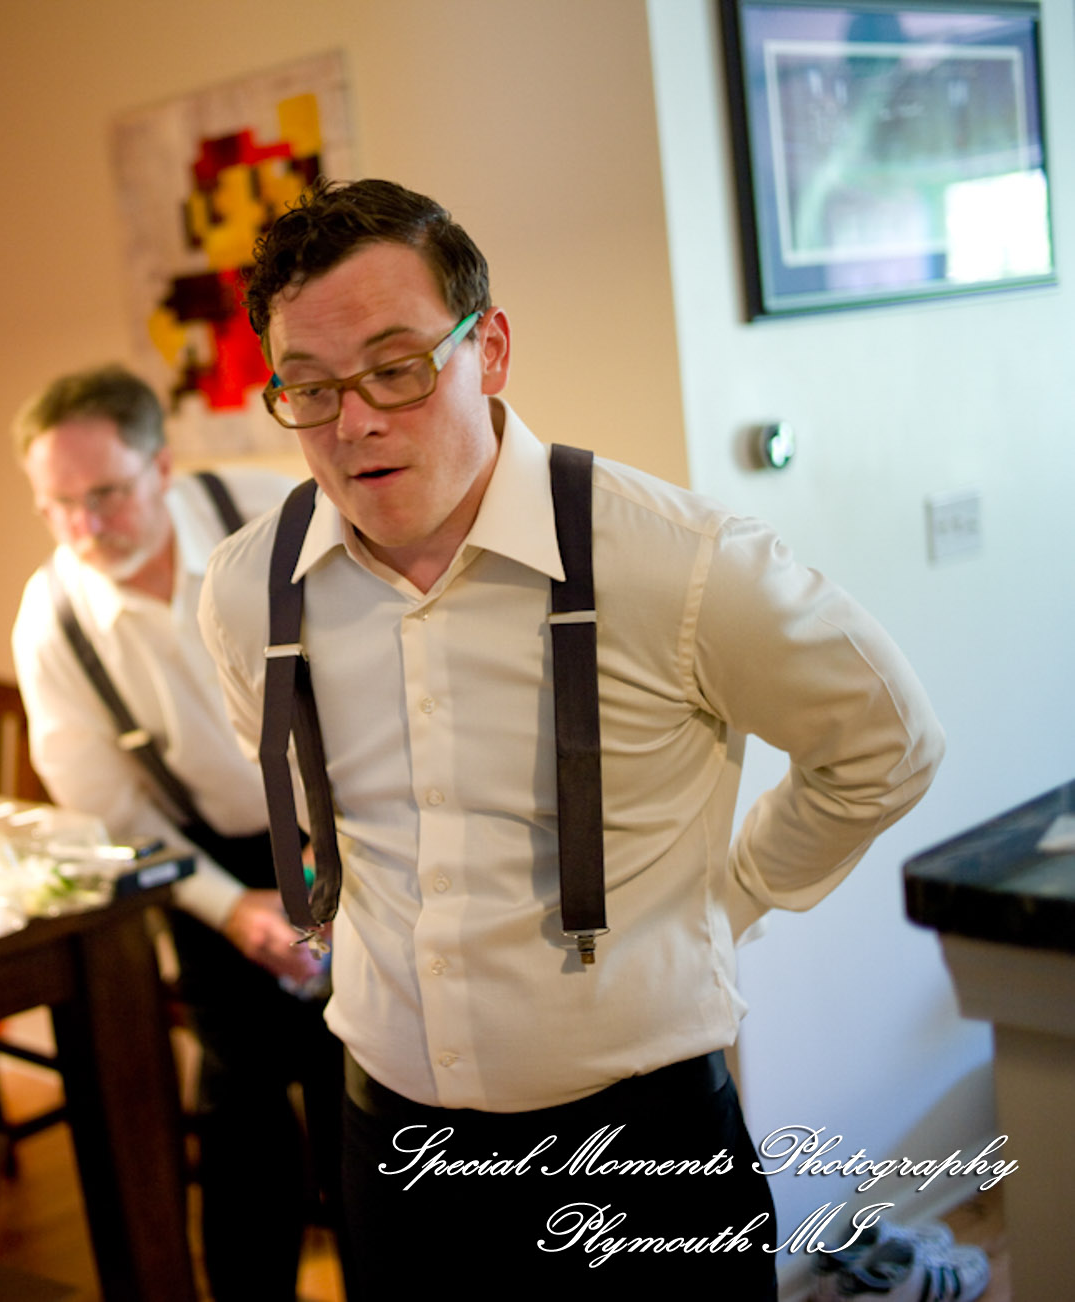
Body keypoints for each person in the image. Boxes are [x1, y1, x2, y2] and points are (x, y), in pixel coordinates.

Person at [197, 180, 946, 1297]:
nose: (353, 423)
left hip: (643, 1153)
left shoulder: (681, 562)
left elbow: (885, 744)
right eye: (308, 389)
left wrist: (730, 895)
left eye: (397, 369)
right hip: (390, 1150)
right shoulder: (246, 591)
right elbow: (321, 817)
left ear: (489, 349)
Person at [10, 364, 342, 1302]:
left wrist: (331, 850)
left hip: (347, 821)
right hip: (211, 861)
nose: (85, 527)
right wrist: (233, 908)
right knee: (239, 1103)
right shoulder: (54, 621)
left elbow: (388, 675)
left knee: (361, 1094)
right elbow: (111, 811)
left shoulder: (276, 515)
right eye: (58, 506)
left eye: (106, 494)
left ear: (160, 467)